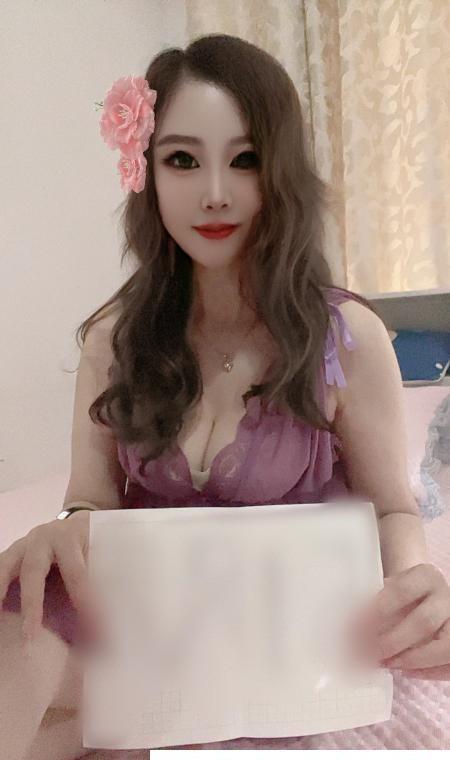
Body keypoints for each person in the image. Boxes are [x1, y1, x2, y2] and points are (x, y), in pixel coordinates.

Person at [1, 33, 450, 759]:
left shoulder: (346, 339)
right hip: (146, 630)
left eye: (244, 160)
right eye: (182, 160)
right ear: (146, 172)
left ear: (281, 173)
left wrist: (415, 586)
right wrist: (67, 530)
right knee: (21, 614)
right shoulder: (113, 340)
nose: (214, 191)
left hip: (291, 644)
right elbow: (90, 501)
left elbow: (391, 506)